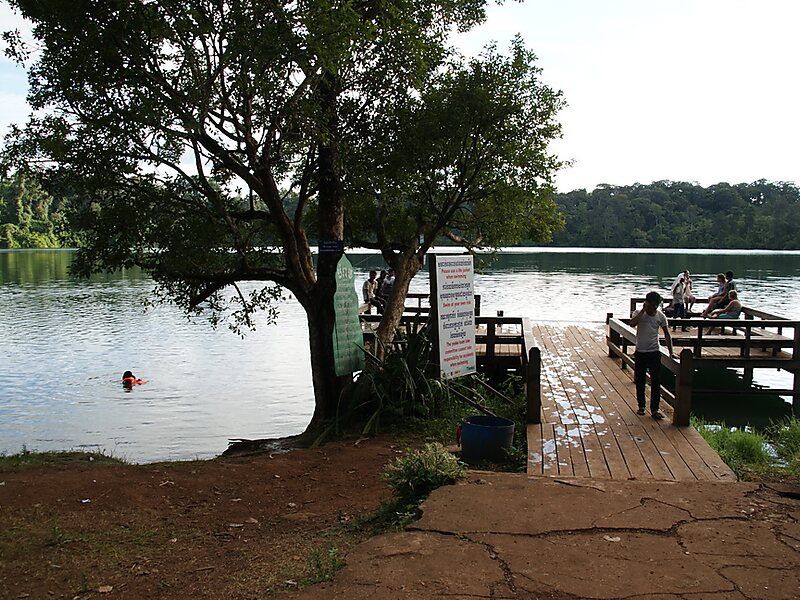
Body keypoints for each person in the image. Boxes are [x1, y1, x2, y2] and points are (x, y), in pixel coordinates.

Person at [630, 291, 674, 420]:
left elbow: (667, 334)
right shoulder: (639, 313)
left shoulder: (660, 316)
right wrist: (643, 310)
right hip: (640, 352)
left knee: (656, 381)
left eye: (655, 306)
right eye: (650, 305)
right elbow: (632, 323)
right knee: (640, 380)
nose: (653, 308)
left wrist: (671, 352)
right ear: (646, 303)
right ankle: (641, 406)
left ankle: (655, 409)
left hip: (654, 352)